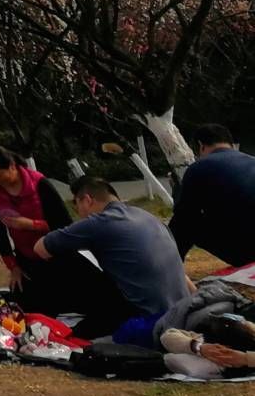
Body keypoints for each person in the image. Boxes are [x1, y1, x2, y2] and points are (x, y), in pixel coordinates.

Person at [34, 174, 192, 342]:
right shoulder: (148, 217)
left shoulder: (99, 223)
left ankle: (77, 330)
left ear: (87, 200)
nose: (79, 214)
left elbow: (40, 248)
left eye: (77, 206)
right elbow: (180, 271)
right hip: (182, 312)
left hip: (148, 321)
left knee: (66, 258)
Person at [0, 144, 90, 313]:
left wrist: (30, 224)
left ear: (12, 166)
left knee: (67, 301)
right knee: (23, 302)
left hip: (53, 252)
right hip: (26, 255)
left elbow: (64, 224)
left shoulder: (39, 184)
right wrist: (13, 266)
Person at [170, 123, 255, 270]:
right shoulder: (252, 160)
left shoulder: (199, 167)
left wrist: (177, 191)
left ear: (200, 145)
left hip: (246, 250)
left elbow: (184, 213)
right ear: (231, 144)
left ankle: (171, 269)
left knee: (187, 221)